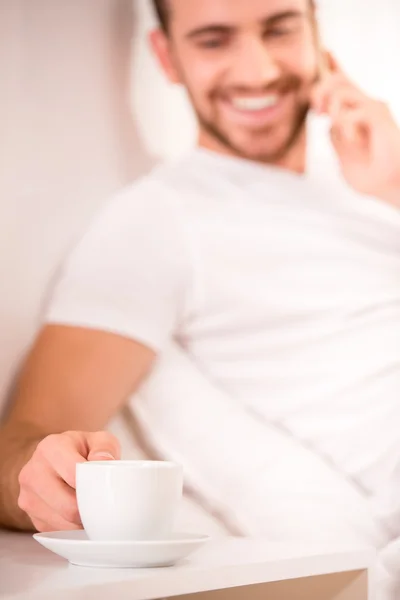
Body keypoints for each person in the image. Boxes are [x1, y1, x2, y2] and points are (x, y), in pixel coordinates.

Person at [1, 0, 400, 544]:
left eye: (280, 29)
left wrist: (395, 187)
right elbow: (25, 441)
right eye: (214, 40)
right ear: (167, 58)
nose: (258, 70)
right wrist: (42, 478)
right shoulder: (155, 220)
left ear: (315, 35)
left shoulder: (376, 166)